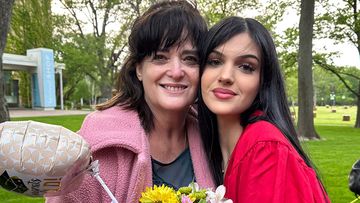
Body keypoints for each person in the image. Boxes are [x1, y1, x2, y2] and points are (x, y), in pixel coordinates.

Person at [46, 1, 214, 202]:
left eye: (190, 59)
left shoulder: (213, 137)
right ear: (139, 69)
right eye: (160, 57)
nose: (177, 72)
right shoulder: (97, 147)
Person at [198, 16, 331, 203]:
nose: (226, 76)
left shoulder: (266, 150)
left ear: (263, 82)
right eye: (214, 61)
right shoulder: (207, 149)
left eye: (246, 67)